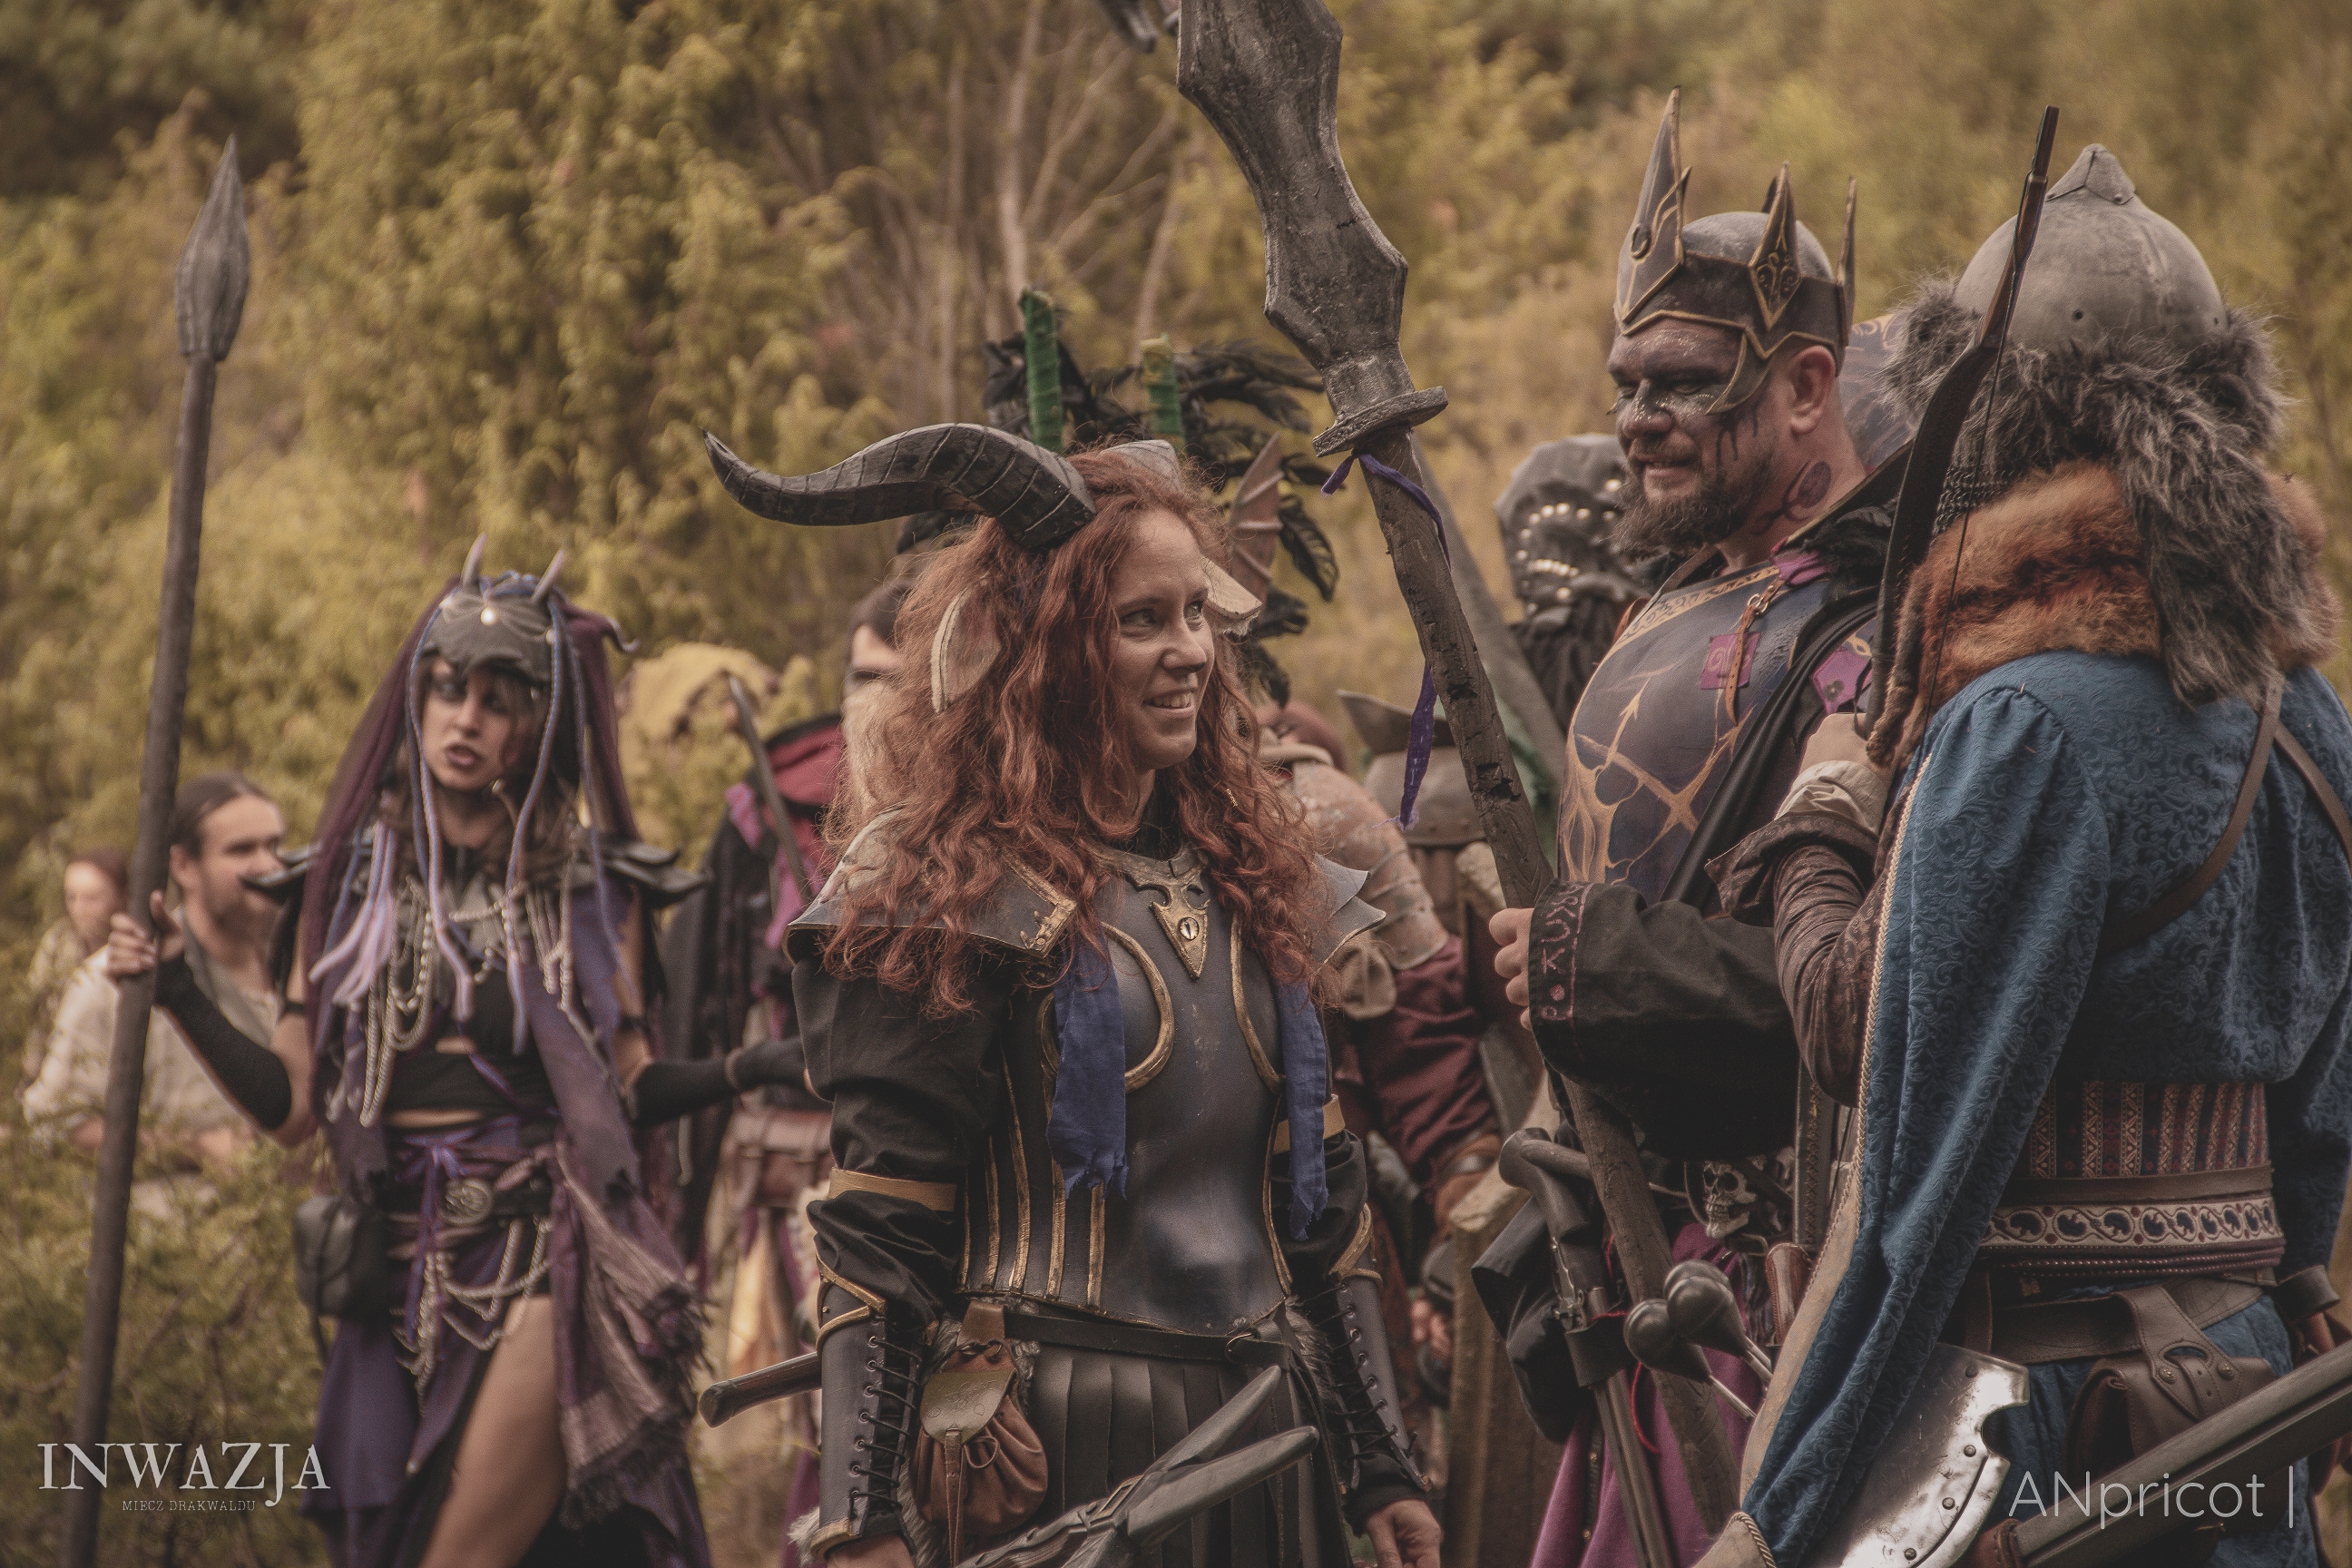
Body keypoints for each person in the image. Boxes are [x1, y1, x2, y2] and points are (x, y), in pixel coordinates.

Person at [1694, 145, 2352, 1568]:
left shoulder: (2022, 729)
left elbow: (1918, 1189)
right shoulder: (2311, 717)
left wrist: (1779, 1514)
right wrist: (2300, 1297)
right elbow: (2317, 1107)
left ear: (1989, 424)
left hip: (2039, 1424)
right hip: (2244, 1400)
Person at [702, 421, 1442, 1568]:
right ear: (1045, 648)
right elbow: (880, 1232)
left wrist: (1380, 1463)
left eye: (1195, 614)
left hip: (1269, 1439)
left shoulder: (1254, 876)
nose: (1189, 652)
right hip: (1058, 1455)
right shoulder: (948, 890)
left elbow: (1324, 1214)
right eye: (1141, 621)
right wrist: (861, 1519)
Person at [106, 545, 806, 1568]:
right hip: (388, 1274)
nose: (465, 719)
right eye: (446, 689)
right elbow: (294, 1108)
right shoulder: (340, 886)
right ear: (416, 699)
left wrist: (751, 1068)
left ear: (538, 724)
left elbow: (626, 1090)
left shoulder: (591, 890)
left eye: (496, 699)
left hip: (537, 1256)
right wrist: (177, 989)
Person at [1482, 91, 1893, 1566]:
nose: (1637, 419)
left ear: (1805, 385)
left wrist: (1590, 961)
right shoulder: (1685, 595)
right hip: (1646, 1279)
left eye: (1683, 382)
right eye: (1624, 383)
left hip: (1791, 1300)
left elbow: (1868, 992)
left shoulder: (1882, 639)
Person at [657, 573, 906, 1568]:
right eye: (862, 678)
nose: (878, 706)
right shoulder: (773, 813)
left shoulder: (1002, 820)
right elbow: (701, 999)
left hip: (950, 1193)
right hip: (802, 1176)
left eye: (902, 682)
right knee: (819, 1416)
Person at [32, 781, 279, 1165]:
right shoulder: (116, 980)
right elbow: (55, 1124)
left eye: (275, 846)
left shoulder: (306, 972)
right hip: (174, 1202)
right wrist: (195, 1148)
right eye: (242, 850)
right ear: (183, 866)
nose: (269, 866)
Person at [21, 845, 126, 1084]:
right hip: (63, 1068)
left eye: (92, 898)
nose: (79, 909)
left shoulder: (136, 947)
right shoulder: (58, 944)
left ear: (122, 897)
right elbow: (40, 1020)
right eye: (72, 897)